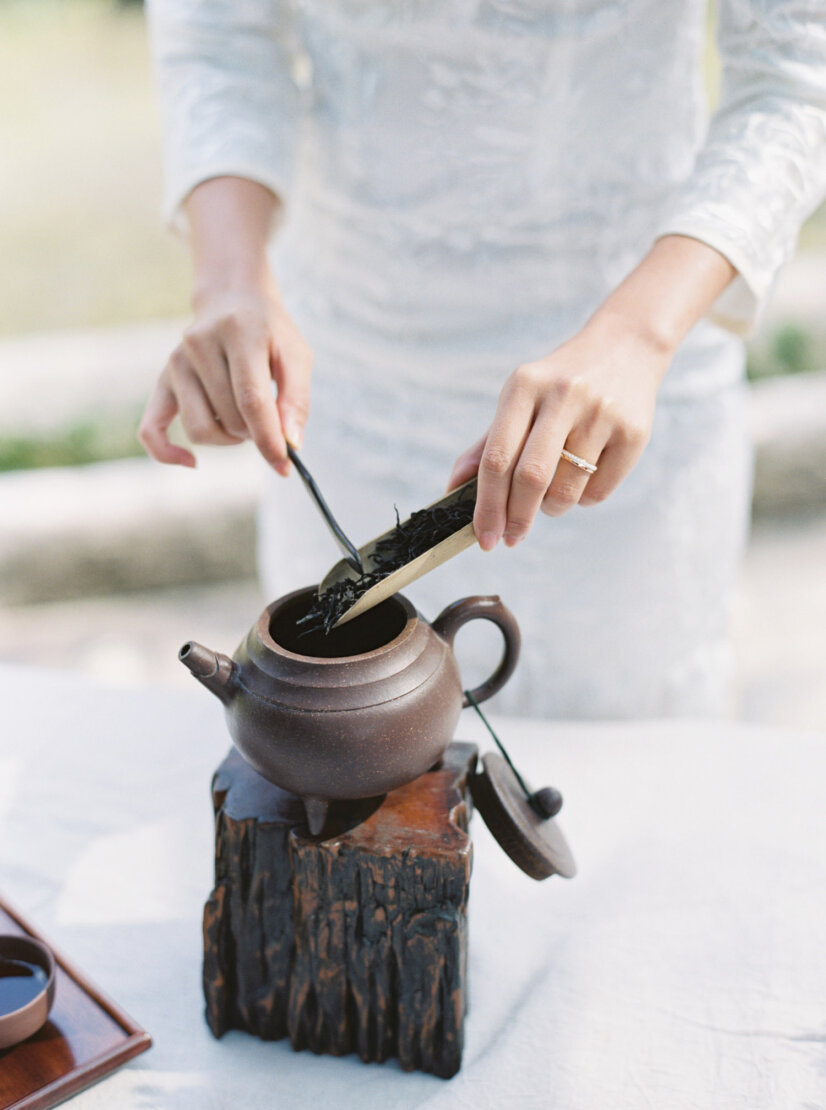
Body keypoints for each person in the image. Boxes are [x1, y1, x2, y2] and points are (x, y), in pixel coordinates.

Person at [140, 0, 826, 718]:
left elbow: (795, 75)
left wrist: (637, 336)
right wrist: (229, 281)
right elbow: (217, 40)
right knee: (346, 753)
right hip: (347, 387)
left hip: (626, 392)